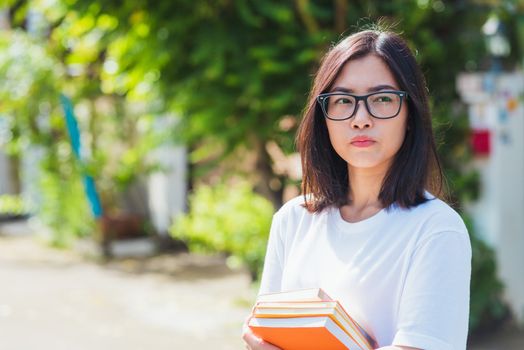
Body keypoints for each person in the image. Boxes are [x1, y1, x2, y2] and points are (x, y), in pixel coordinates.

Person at [242, 27, 472, 350]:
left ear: (410, 114)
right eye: (343, 101)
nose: (361, 118)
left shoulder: (436, 230)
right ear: (324, 116)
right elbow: (263, 335)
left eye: (381, 99)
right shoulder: (292, 221)